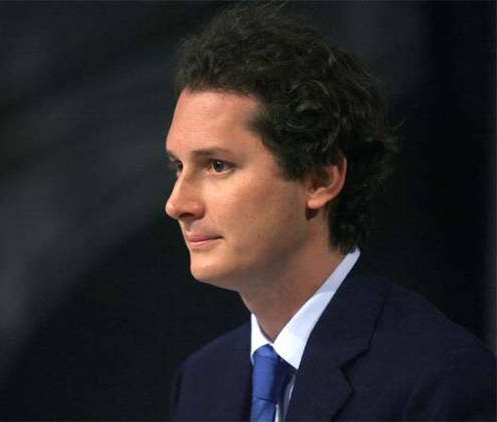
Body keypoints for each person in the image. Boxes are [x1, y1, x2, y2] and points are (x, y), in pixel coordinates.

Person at [164, 4, 495, 421]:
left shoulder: (440, 379)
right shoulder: (201, 382)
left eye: (217, 165)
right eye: (178, 167)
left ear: (320, 179)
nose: (177, 204)